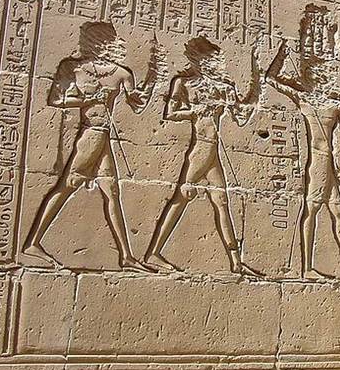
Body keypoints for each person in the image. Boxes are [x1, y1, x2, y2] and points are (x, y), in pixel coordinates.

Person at [22, 21, 161, 271]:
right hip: (89, 135)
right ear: (98, 43)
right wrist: (88, 99)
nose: (116, 46)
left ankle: (126, 256)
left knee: (111, 192)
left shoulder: (121, 73)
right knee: (68, 186)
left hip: (103, 137)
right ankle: (32, 243)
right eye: (110, 42)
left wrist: (153, 79)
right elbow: (56, 100)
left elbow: (137, 104)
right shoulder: (73, 68)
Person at [266, 4, 340, 283]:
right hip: (321, 166)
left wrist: (282, 54)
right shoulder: (328, 104)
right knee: (319, 212)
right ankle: (310, 268)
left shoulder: (311, 99)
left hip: (322, 165)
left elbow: (271, 78)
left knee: (329, 213)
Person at [144, 35, 263, 276]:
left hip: (213, 154)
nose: (219, 66)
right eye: (214, 62)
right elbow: (170, 113)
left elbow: (241, 117)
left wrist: (256, 79)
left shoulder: (224, 88)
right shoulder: (185, 83)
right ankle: (152, 253)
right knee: (182, 197)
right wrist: (196, 110)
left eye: (219, 62)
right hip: (199, 151)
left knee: (221, 202)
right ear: (202, 62)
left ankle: (236, 262)